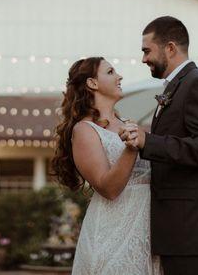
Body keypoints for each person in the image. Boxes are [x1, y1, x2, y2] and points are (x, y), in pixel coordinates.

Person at [120, 16, 198, 275]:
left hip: (191, 230)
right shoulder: (179, 86)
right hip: (178, 230)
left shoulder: (197, 83)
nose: (143, 59)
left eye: (147, 50)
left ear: (170, 48)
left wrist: (148, 140)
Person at [52, 56, 162, 275]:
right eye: (111, 72)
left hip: (146, 231)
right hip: (113, 233)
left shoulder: (127, 126)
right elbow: (108, 188)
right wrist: (131, 148)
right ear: (92, 83)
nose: (119, 76)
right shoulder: (84, 130)